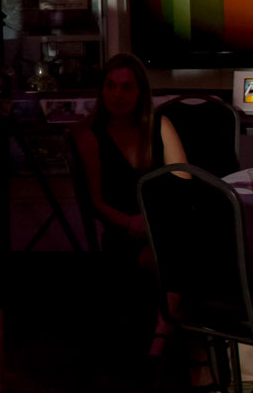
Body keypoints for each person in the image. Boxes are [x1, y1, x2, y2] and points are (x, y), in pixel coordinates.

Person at [75, 54, 187, 372]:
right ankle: (194, 351)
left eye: (126, 87)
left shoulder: (158, 125)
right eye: (111, 86)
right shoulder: (90, 136)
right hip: (125, 236)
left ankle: (164, 339)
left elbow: (184, 181)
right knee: (182, 255)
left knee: (182, 245)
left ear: (140, 92)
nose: (118, 94)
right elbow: (95, 202)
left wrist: (157, 221)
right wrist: (130, 222)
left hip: (163, 227)